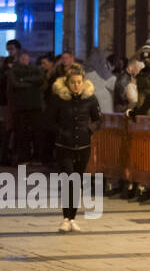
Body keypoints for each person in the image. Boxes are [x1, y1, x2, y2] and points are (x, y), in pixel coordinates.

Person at [51, 65, 101, 232]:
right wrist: (61, 132)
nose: (76, 86)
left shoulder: (90, 98)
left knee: (77, 181)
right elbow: (48, 120)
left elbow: (98, 119)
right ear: (67, 83)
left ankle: (72, 218)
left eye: (79, 82)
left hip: (83, 145)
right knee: (68, 180)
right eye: (73, 82)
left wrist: (89, 129)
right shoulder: (59, 99)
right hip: (64, 146)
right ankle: (65, 218)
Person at [8, 52, 46, 164]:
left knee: (37, 132)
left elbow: (40, 80)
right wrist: (32, 83)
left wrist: (23, 80)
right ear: (19, 59)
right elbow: (15, 83)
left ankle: (37, 157)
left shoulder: (36, 69)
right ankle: (24, 157)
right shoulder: (14, 70)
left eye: (26, 57)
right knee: (21, 133)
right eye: (22, 57)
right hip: (20, 107)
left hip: (34, 105)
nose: (25, 59)